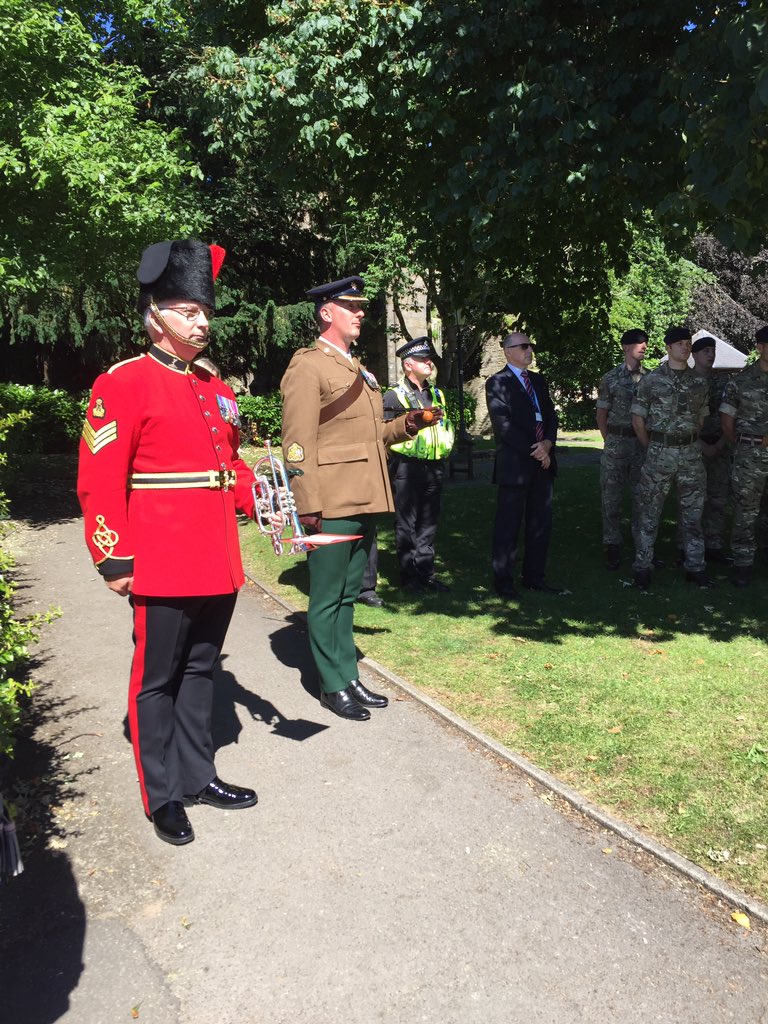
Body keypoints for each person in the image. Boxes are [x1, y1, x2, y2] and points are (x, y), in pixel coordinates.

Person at [77, 239, 259, 846]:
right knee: (155, 680)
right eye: (188, 311)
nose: (202, 322)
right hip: (160, 558)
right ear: (155, 314)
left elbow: (227, 464)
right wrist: (113, 556)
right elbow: (99, 479)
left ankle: (198, 774)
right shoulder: (121, 383)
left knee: (202, 669)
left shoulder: (213, 386)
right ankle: (161, 795)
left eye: (205, 312)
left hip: (216, 555)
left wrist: (262, 498)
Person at [280, 276, 435, 721]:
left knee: (349, 594)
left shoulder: (358, 369)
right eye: (351, 306)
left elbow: (372, 436)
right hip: (330, 500)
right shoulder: (308, 366)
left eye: (361, 307)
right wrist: (307, 501)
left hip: (364, 495)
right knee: (327, 596)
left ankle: (347, 675)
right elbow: (297, 442)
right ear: (327, 313)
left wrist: (409, 423)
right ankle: (331, 685)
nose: (361, 313)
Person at [631, 326, 710, 590]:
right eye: (679, 344)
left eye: (687, 343)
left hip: (690, 455)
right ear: (668, 348)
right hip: (659, 454)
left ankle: (695, 567)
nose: (685, 347)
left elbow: (701, 419)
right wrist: (652, 446)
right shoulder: (651, 381)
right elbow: (638, 419)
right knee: (649, 513)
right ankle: (643, 567)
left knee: (693, 515)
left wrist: (686, 439)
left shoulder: (699, 382)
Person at [485, 331, 560, 598]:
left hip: (544, 462)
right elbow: (504, 425)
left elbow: (551, 416)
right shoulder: (497, 383)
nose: (529, 350)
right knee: (509, 524)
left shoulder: (538, 381)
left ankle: (534, 576)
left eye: (531, 345)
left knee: (540, 523)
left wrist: (548, 444)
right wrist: (536, 450)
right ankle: (503, 580)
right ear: (507, 351)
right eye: (523, 346)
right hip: (516, 464)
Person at [382, 337, 455, 593]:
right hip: (406, 466)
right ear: (408, 364)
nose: (429, 363)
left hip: (434, 465)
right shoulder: (394, 395)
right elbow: (386, 432)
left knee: (429, 522)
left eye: (429, 359)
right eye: (424, 359)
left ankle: (427, 574)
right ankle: (409, 577)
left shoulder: (436, 393)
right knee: (407, 523)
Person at [595, 328, 648, 570]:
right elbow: (601, 414)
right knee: (611, 498)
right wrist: (610, 440)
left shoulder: (651, 378)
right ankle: (612, 546)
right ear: (626, 348)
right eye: (638, 343)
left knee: (643, 498)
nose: (644, 346)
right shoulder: (610, 378)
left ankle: (643, 548)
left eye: (645, 343)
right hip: (617, 443)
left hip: (642, 445)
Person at [720, 324, 768, 586]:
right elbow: (727, 420)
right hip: (750, 455)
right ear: (760, 348)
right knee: (746, 511)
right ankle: (742, 562)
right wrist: (742, 445)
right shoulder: (740, 382)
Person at [690, 335, 732, 564]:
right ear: (694, 355)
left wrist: (720, 444)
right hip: (694, 447)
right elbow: (681, 421)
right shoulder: (686, 383)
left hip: (720, 445)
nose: (710, 354)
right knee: (693, 500)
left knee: (718, 498)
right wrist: (702, 445)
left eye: (712, 350)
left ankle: (713, 545)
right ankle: (687, 546)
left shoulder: (724, 383)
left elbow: (732, 416)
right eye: (705, 350)